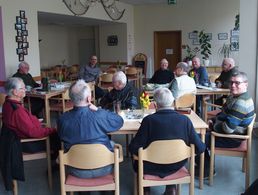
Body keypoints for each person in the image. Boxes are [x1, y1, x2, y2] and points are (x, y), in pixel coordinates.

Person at [129, 88, 206, 195]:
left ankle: (145, 190)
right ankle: (171, 189)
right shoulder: (185, 120)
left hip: (150, 166)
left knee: (137, 160)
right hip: (176, 165)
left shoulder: (148, 121)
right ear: (173, 103)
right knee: (170, 158)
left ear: (155, 104)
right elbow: (200, 148)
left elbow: (134, 148)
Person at [58, 79, 123, 178]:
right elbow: (119, 121)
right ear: (89, 99)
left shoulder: (62, 119)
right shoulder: (99, 115)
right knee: (112, 144)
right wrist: (98, 110)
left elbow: (61, 137)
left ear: (71, 99)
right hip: (103, 167)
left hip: (75, 169)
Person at [196, 71, 255, 178]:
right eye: (231, 82)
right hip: (231, 133)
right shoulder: (234, 97)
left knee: (196, 138)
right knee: (199, 134)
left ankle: (207, 170)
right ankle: (204, 165)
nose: (233, 85)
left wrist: (212, 126)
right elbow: (223, 113)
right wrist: (213, 120)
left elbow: (227, 129)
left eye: (237, 83)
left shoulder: (241, 102)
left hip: (232, 139)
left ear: (246, 84)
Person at [2, 77, 59, 154]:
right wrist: (52, 130)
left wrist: (34, 121)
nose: (25, 90)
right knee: (59, 136)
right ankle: (58, 162)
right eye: (23, 88)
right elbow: (33, 132)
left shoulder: (7, 104)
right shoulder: (17, 110)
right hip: (27, 143)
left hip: (15, 140)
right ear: (15, 92)